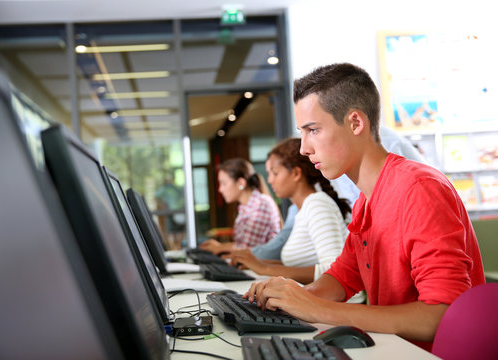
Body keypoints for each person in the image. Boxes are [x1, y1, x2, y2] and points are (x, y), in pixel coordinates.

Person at [244, 63, 485, 350]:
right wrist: (291, 297)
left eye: (313, 130)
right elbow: (343, 277)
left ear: (356, 123)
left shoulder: (419, 189)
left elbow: (441, 315)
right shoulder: (365, 201)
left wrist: (315, 309)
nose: (304, 149)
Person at [229, 138, 362, 296]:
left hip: (331, 310)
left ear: (296, 173)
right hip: (313, 302)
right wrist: (256, 263)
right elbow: (301, 265)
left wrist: (265, 269)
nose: (269, 180)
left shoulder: (317, 204)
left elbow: (335, 270)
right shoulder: (304, 209)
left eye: (275, 173)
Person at [200, 157, 281, 254]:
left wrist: (220, 247)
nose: (220, 189)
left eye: (224, 183)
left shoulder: (261, 204)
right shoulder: (245, 207)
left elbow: (249, 249)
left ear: (240, 183)